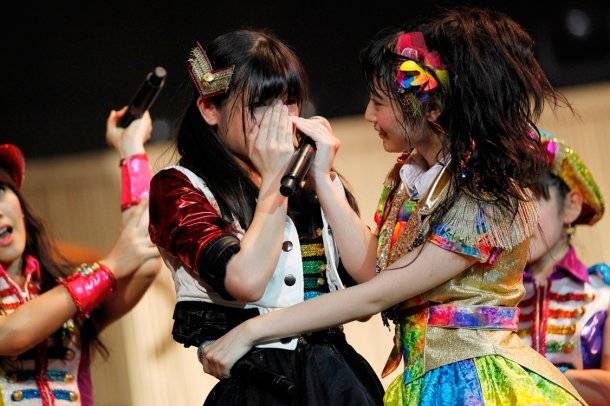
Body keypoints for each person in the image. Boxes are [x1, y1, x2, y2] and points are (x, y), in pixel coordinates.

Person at [199, 8, 587, 405]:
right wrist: (324, 179)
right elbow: (373, 271)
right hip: (424, 379)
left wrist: (251, 331)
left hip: (479, 382)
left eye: (378, 102)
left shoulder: (481, 195)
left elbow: (376, 295)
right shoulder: (410, 177)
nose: (368, 115)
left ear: (431, 109)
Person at [148, 30, 384, 405]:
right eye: (260, 105)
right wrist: (275, 180)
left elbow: (370, 280)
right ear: (210, 108)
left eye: (288, 102)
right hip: (259, 386)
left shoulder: (310, 179)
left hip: (336, 378)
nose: (279, 120)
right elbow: (246, 280)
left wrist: (324, 180)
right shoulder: (180, 187)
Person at [0, 114, 161, 404]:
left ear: (19, 202)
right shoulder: (77, 291)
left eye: (0, 191)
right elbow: (12, 334)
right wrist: (109, 266)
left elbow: (146, 257)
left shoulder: (61, 290)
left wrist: (132, 150)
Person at [519, 132, 610, 405]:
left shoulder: (602, 294)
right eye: (507, 205)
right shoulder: (492, 297)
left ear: (571, 205)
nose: (517, 220)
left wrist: (537, 377)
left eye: (530, 200)